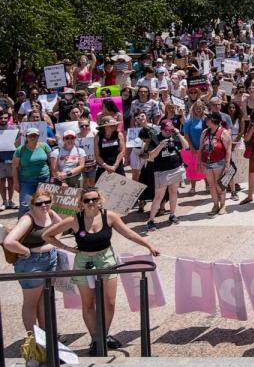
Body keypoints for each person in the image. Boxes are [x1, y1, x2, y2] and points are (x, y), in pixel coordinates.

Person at [42, 187, 160, 355]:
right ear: (81, 203)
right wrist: (67, 248)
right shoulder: (74, 219)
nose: (91, 203)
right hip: (83, 261)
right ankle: (95, 339)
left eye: (94, 199)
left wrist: (149, 246)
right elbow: (47, 235)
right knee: (89, 303)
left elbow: (129, 233)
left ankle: (103, 335)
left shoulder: (109, 216)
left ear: (100, 200)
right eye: (86, 200)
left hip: (106, 259)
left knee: (109, 302)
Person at [3, 190, 62, 333]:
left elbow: (61, 225)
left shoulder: (50, 212)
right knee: (31, 303)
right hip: (31, 263)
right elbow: (9, 242)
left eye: (47, 202)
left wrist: (55, 242)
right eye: (39, 203)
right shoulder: (27, 219)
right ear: (32, 204)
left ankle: (46, 336)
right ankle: (33, 340)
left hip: (50, 259)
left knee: (45, 300)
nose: (44, 206)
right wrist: (26, 251)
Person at [144, 120, 189, 232]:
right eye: (166, 130)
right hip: (161, 171)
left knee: (173, 192)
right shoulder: (155, 138)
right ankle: (151, 220)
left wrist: (178, 133)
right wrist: (160, 146)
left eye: (171, 130)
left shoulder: (174, 135)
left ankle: (172, 215)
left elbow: (186, 146)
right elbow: (150, 157)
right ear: (162, 129)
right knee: (159, 196)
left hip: (175, 168)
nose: (169, 132)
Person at [12, 127, 53, 216]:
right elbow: (14, 167)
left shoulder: (44, 146)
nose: (33, 137)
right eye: (30, 135)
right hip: (26, 180)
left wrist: (52, 177)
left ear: (38, 136)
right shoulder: (20, 150)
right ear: (26, 137)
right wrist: (16, 183)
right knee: (25, 205)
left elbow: (52, 162)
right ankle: (24, 227)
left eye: (35, 135)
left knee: (43, 203)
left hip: (44, 179)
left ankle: (41, 226)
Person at [200, 113, 232, 216]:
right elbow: (200, 148)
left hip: (219, 162)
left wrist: (227, 165)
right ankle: (215, 205)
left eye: (208, 118)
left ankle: (223, 205)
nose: (206, 120)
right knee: (211, 185)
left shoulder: (224, 132)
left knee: (219, 185)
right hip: (207, 163)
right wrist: (199, 162)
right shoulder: (205, 132)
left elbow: (228, 150)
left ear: (213, 120)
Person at [93, 116, 126, 181]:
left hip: (117, 166)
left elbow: (122, 151)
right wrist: (106, 166)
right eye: (112, 125)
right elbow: (97, 155)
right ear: (105, 127)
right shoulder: (98, 137)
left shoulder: (119, 134)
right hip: (103, 167)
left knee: (121, 189)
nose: (115, 126)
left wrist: (115, 166)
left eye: (115, 124)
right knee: (101, 190)